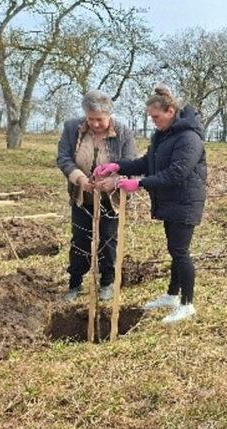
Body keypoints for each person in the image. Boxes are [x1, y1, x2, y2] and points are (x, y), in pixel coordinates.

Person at [94, 85, 207, 324]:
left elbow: (177, 173)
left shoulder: (189, 137)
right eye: (151, 117)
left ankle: (187, 304)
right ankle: (172, 295)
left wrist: (140, 184)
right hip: (171, 200)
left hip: (185, 200)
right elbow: (148, 162)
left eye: (156, 117)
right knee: (174, 250)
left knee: (180, 252)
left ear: (170, 111)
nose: (153, 121)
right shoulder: (163, 135)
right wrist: (118, 167)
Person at [56, 90, 137, 303]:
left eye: (99, 119)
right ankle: (74, 283)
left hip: (111, 199)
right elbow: (64, 158)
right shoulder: (72, 128)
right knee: (80, 240)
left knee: (108, 240)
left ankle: (107, 282)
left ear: (109, 115)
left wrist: (114, 180)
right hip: (82, 196)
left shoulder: (123, 132)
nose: (95, 124)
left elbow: (131, 162)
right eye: (90, 119)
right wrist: (80, 179)